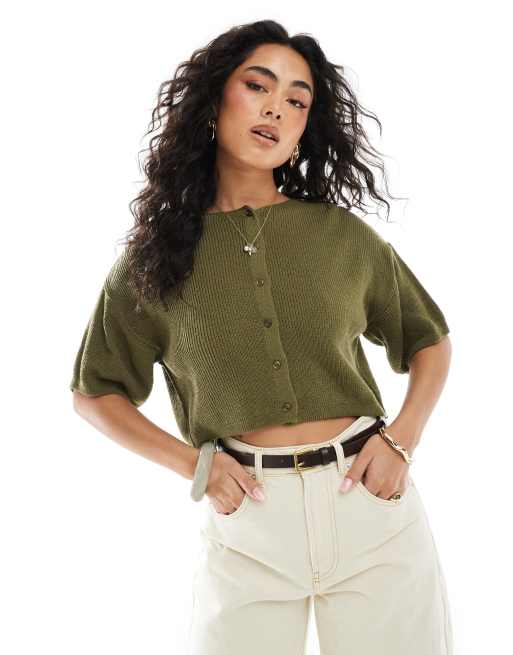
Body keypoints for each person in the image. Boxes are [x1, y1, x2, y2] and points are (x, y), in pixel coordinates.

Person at [70, 19, 454, 655]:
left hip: (369, 503)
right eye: (258, 86)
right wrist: (194, 466)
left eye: (297, 101)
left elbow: (428, 338)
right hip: (248, 518)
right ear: (214, 98)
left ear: (305, 128)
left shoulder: (340, 236)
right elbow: (94, 392)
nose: (277, 107)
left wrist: (403, 439)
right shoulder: (154, 261)